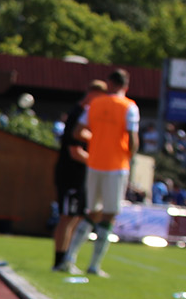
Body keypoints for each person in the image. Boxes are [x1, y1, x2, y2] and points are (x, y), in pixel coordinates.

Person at [59, 69, 138, 278]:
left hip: (94, 164)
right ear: (125, 85)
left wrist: (97, 141)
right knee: (108, 214)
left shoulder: (95, 104)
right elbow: (132, 139)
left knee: (90, 211)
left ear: (109, 83)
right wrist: (128, 155)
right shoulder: (129, 106)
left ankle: (70, 258)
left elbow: (78, 132)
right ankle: (94, 265)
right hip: (116, 165)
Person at [52, 81, 106, 271]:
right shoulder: (77, 115)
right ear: (92, 94)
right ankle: (60, 261)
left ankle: (65, 259)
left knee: (75, 217)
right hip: (70, 174)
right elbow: (75, 151)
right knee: (67, 216)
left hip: (78, 174)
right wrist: (98, 159)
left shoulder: (84, 116)